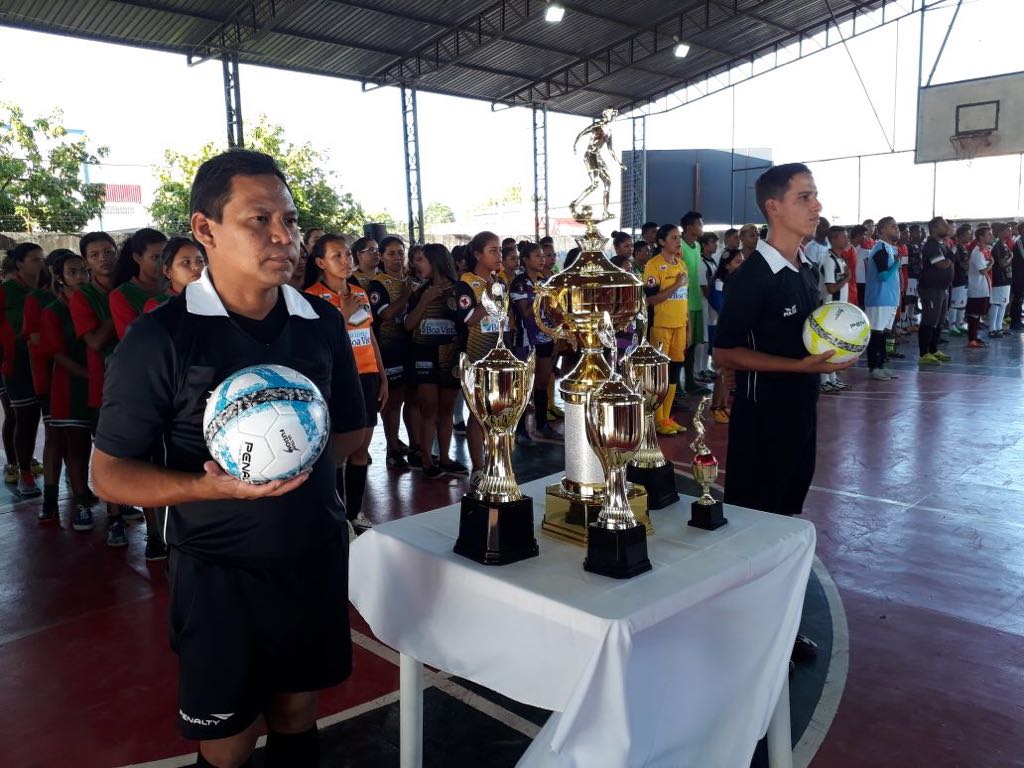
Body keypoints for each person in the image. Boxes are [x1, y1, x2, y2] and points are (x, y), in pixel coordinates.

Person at [92, 149, 365, 768]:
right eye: (259, 219)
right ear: (205, 229)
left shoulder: (320, 321)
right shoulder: (163, 335)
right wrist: (212, 488)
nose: (282, 236)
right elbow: (107, 474)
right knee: (230, 740)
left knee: (298, 714)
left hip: (312, 555)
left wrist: (290, 442)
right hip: (220, 573)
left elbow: (351, 431)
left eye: (290, 221)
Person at [713, 164, 852, 663]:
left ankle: (775, 628)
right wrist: (797, 366)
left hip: (799, 415)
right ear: (774, 206)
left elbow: (809, 340)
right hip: (762, 419)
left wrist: (832, 351)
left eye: (815, 196)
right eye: (805, 197)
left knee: (786, 521)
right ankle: (747, 632)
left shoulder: (806, 271)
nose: (816, 205)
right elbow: (723, 353)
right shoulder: (752, 277)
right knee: (756, 528)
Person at [304, 234, 387, 530]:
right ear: (320, 263)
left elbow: (369, 335)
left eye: (347, 255)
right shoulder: (311, 297)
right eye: (337, 256)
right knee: (339, 448)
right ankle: (336, 514)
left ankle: (354, 513)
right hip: (337, 380)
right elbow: (316, 343)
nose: (345, 260)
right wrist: (343, 315)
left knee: (362, 448)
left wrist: (382, 374)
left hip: (366, 377)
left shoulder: (359, 292)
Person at [39, 250, 95, 531]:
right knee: (76, 447)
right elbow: (58, 355)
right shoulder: (53, 311)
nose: (82, 276)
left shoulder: (97, 300)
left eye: (84, 270)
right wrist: (89, 375)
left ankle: (115, 502)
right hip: (70, 387)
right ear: (59, 279)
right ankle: (81, 504)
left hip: (100, 384)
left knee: (109, 446)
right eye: (73, 272)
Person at [404, 243, 468, 479]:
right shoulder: (420, 291)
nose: (416, 264)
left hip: (451, 357)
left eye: (421, 260)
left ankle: (445, 458)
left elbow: (466, 324)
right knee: (428, 409)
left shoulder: (460, 289)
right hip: (424, 356)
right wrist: (424, 301)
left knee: (447, 410)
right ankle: (427, 460)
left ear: (436, 261)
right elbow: (408, 325)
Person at [367, 236, 420, 469]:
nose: (397, 258)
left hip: (413, 346)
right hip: (389, 349)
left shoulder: (412, 280)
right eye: (391, 253)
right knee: (394, 401)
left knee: (414, 398)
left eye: (400, 252)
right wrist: (407, 296)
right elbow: (385, 315)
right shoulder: (378, 284)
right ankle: (392, 449)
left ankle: (417, 446)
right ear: (381, 257)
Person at [456, 231, 503, 483]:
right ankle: (477, 468)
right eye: (492, 250)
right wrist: (489, 299)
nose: (499, 255)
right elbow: (468, 318)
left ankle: (496, 462)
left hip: (499, 356)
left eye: (500, 250)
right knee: (477, 413)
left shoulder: (500, 281)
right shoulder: (466, 282)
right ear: (477, 254)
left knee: (498, 413)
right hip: (474, 357)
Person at [0, 243, 47, 498]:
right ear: (19, 263)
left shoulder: (47, 288)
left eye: (41, 259)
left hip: (45, 361)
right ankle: (21, 469)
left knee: (45, 419)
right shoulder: (7, 291)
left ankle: (32, 463)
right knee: (21, 416)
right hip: (15, 362)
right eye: (33, 260)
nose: (40, 264)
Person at [510, 241, 561, 444]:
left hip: (546, 337)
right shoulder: (519, 283)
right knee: (524, 385)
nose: (542, 259)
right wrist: (541, 294)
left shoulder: (545, 279)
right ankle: (521, 429)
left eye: (543, 256)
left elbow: (554, 308)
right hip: (525, 338)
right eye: (537, 256)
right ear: (525, 260)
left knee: (542, 382)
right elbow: (524, 313)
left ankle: (543, 425)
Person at [644, 223, 688, 435]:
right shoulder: (653, 265)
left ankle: (667, 418)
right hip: (661, 326)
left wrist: (687, 325)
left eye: (679, 237)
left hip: (680, 325)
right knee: (660, 374)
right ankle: (657, 418)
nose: (678, 241)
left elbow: (684, 299)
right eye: (673, 237)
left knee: (674, 373)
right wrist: (675, 286)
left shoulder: (681, 265)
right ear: (661, 242)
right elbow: (651, 300)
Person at [706, 247, 745, 423]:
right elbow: (721, 307)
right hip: (719, 330)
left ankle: (723, 405)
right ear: (727, 265)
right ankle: (716, 407)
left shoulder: (737, 282)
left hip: (732, 329)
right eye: (738, 262)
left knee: (730, 370)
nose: (741, 265)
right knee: (722, 370)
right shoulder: (720, 282)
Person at [110, 228, 168, 339]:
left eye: (166, 256)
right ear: (137, 258)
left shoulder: (176, 285)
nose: (163, 263)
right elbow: (131, 340)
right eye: (155, 257)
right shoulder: (121, 295)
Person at [863, 217, 902, 381]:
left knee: (884, 334)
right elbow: (884, 275)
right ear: (883, 230)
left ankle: (881, 365)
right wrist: (896, 265)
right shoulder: (881, 249)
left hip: (890, 299)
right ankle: (874, 367)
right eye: (892, 226)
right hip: (879, 298)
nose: (896, 229)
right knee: (876, 334)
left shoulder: (890, 249)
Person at [917, 217, 954, 366]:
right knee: (929, 320)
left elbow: (949, 259)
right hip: (931, 289)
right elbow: (941, 264)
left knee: (939, 321)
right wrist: (950, 259)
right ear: (935, 228)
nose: (948, 228)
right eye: (944, 226)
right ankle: (924, 353)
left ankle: (934, 349)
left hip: (942, 288)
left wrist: (949, 257)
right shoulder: (932, 246)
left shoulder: (942, 245)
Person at [819, 225, 852, 392]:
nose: (846, 239)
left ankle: (832, 377)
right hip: (829, 308)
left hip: (838, 309)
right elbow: (831, 288)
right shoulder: (829, 260)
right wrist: (847, 278)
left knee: (834, 345)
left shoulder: (840, 259)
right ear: (832, 239)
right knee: (827, 345)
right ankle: (824, 380)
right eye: (842, 237)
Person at [679, 211, 707, 397]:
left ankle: (690, 381)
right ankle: (680, 384)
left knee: (694, 344)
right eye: (699, 224)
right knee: (682, 345)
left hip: (696, 301)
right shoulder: (680, 245)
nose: (702, 227)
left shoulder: (696, 246)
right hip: (683, 303)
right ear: (690, 227)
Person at [144, 238, 207, 312]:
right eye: (186, 262)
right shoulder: (157, 306)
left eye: (200, 261)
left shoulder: (213, 298)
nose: (196, 267)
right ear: (167, 271)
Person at [966, 225, 993, 348]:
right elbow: (982, 271)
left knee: (978, 314)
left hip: (984, 288)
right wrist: (992, 263)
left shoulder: (985, 250)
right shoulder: (977, 252)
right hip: (977, 288)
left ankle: (975, 337)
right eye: (988, 234)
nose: (991, 236)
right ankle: (972, 339)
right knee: (974, 314)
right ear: (981, 237)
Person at [988, 223, 1014, 338]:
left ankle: (999, 327)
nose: (1010, 233)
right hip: (999, 279)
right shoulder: (997, 246)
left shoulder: (1005, 245)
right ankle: (992, 328)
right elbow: (1002, 263)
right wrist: (1010, 257)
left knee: (1003, 303)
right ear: (1001, 232)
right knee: (996, 303)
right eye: (1008, 231)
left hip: (1006, 279)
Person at [947, 224, 972, 335]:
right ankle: (951, 326)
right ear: (960, 236)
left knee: (962, 304)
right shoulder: (956, 248)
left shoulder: (964, 248)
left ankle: (959, 324)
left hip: (964, 279)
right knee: (955, 304)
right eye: (968, 234)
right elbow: (962, 265)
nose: (970, 236)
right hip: (957, 280)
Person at [1010, 222, 1024, 331]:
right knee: (1018, 298)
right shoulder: (1019, 242)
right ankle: (1015, 322)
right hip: (1018, 275)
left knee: (1020, 298)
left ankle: (1018, 320)